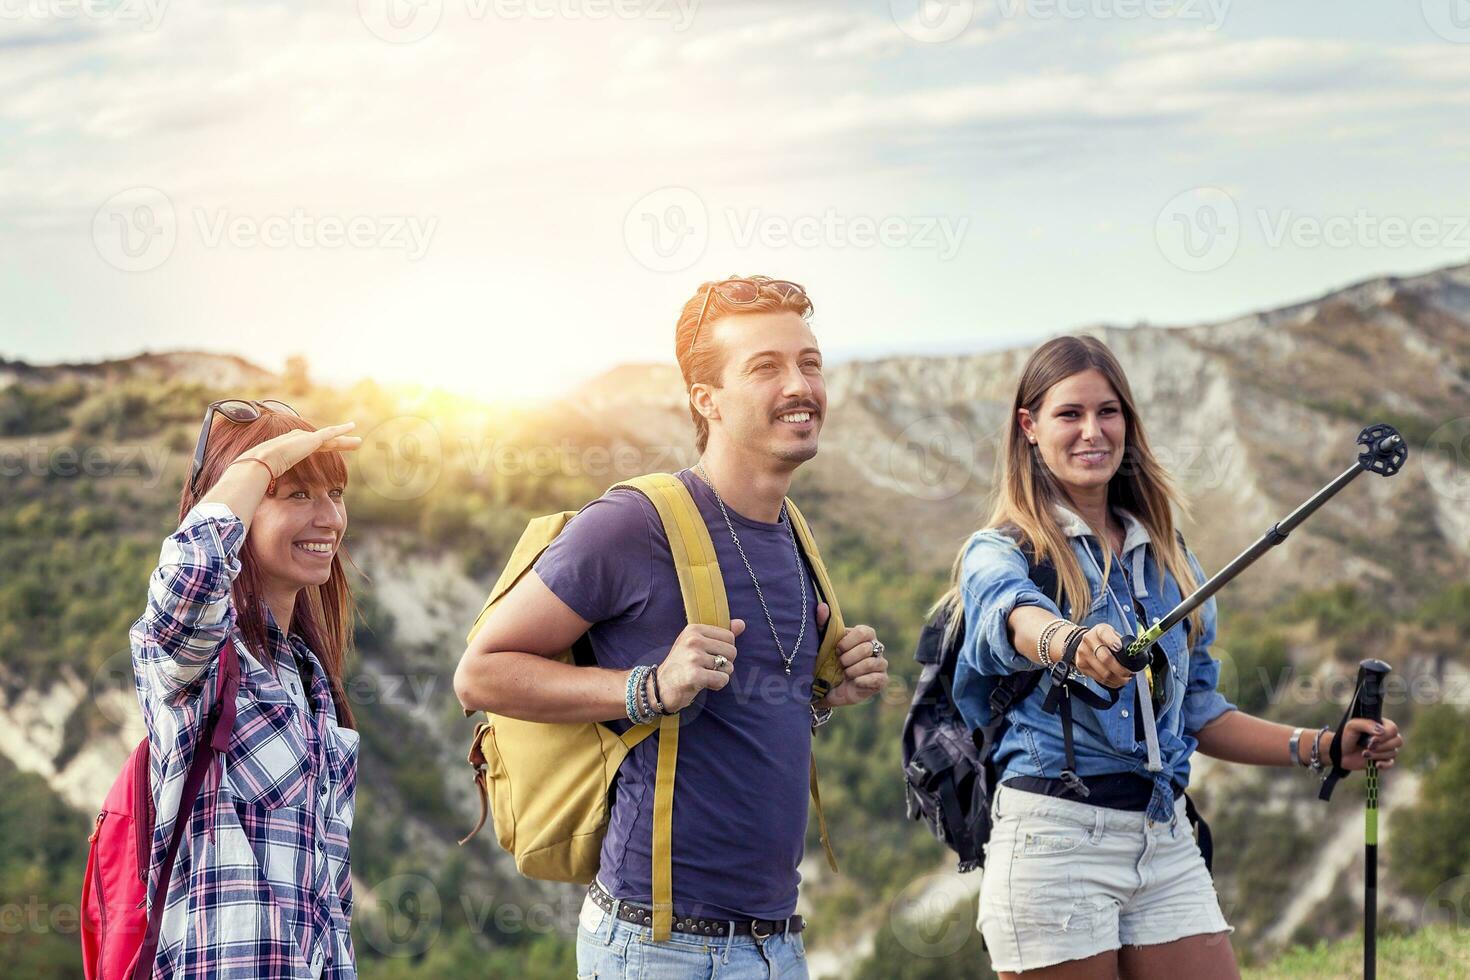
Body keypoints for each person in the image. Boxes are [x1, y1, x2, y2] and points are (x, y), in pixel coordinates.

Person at [453, 276, 891, 979]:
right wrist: (648, 688)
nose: (800, 385)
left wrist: (819, 701)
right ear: (706, 399)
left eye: (809, 362)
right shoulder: (633, 524)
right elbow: (480, 673)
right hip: (658, 949)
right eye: (766, 367)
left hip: (777, 944)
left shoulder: (793, 535)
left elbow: (733, 725)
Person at [937, 336, 1403, 979]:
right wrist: (1068, 644)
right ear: (1030, 428)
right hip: (1054, 842)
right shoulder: (1000, 548)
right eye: (1069, 414)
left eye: (1108, 412)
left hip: (1163, 832)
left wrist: (1324, 746)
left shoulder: (1166, 556)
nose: (1092, 431)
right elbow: (1008, 615)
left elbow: (1200, 713)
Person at [130, 400, 364, 978]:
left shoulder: (308, 677)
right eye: (297, 495)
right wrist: (259, 462)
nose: (330, 518)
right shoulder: (199, 659)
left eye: (334, 493)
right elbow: (192, 572)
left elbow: (328, 906)